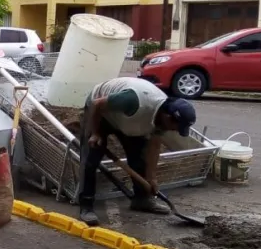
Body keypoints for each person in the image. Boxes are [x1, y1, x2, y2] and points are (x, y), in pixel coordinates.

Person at [77, 76, 196, 227]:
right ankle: (86, 206)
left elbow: (154, 148)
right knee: (91, 159)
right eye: (176, 127)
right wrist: (95, 133)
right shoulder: (134, 100)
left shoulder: (161, 120)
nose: (174, 130)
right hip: (101, 112)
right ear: (168, 117)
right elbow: (98, 104)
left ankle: (141, 200)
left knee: (139, 157)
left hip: (128, 118)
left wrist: (152, 179)